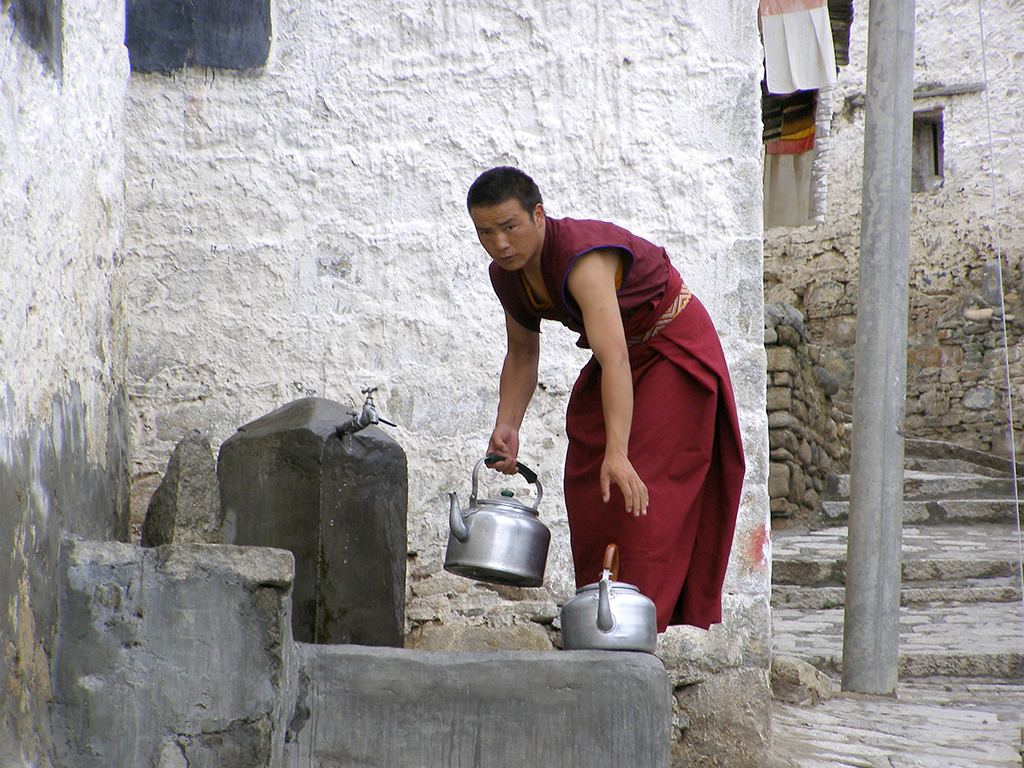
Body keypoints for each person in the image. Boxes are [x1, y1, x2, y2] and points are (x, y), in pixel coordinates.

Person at [467, 166, 745, 632]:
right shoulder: (507, 275)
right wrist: (508, 424)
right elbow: (521, 355)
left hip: (670, 347)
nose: (500, 243)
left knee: (643, 482)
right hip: (623, 356)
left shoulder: (581, 260)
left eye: (509, 227)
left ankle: (639, 627)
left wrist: (618, 451)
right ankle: (596, 614)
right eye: (485, 232)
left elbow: (613, 358)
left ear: (538, 215)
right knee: (585, 478)